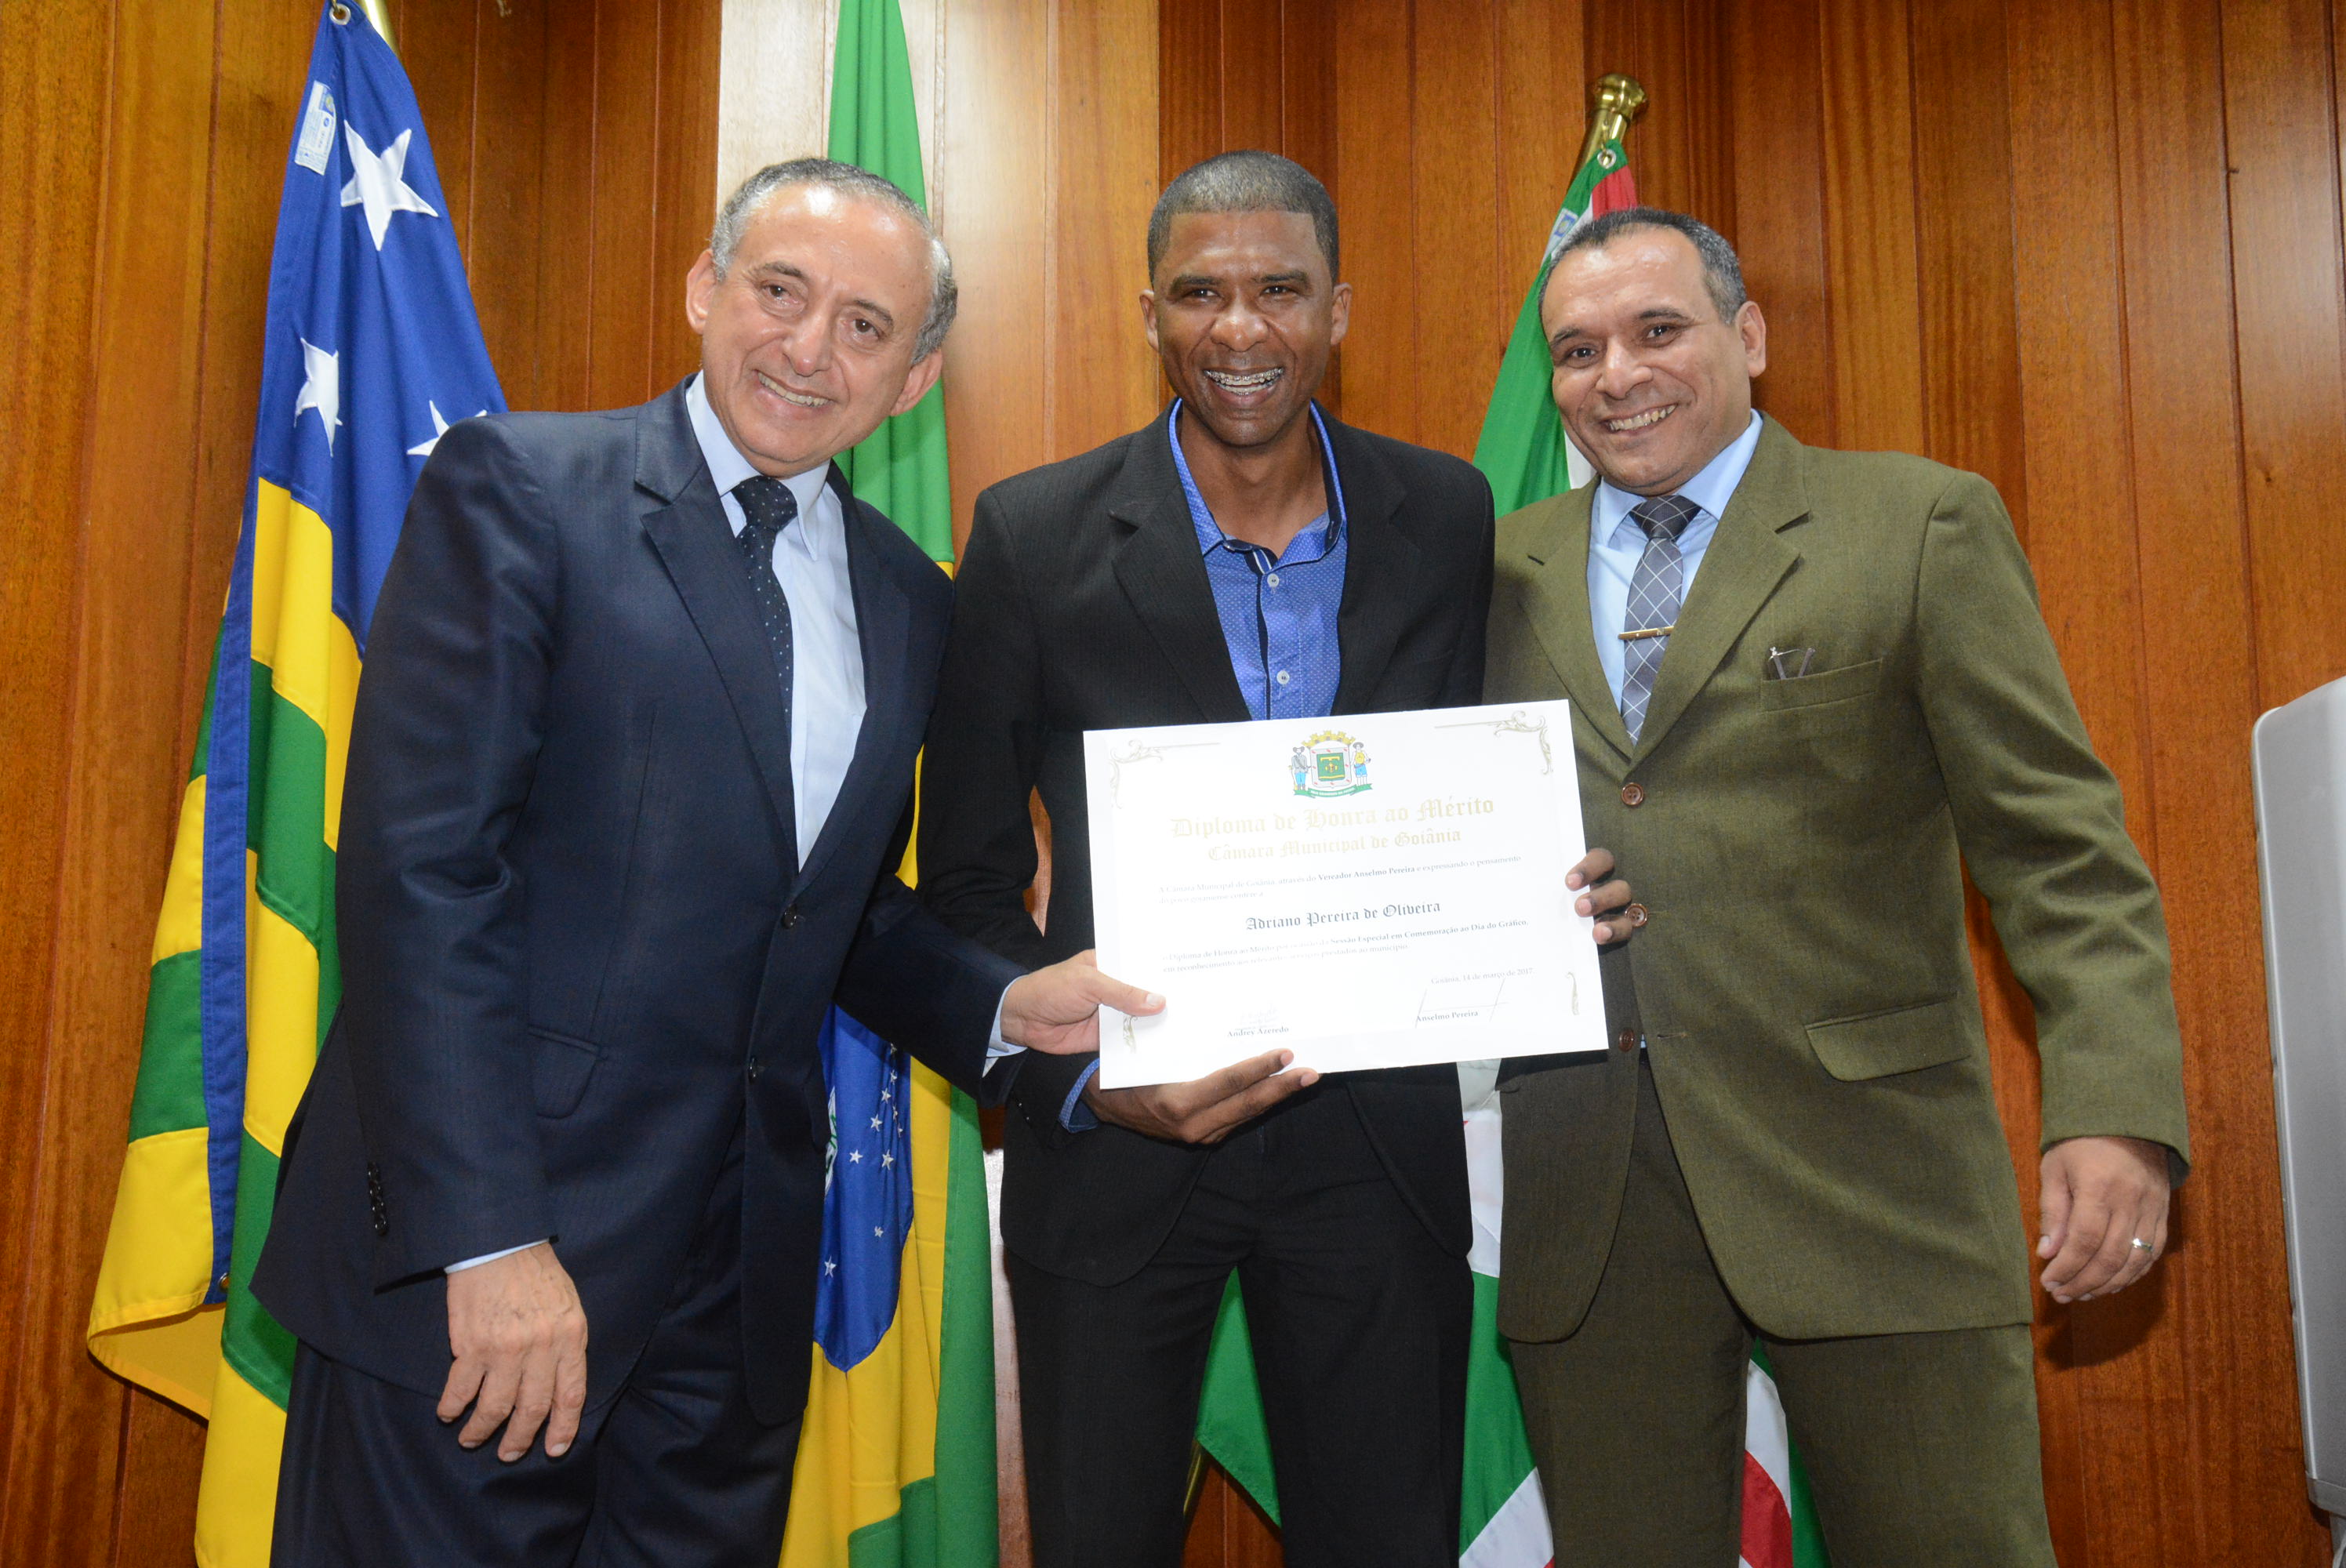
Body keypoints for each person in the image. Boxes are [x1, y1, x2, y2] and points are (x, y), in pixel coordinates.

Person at [252, 158, 1156, 1568]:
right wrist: (487, 1241)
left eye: (865, 325)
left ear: (913, 381)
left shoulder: (907, 597)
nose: (809, 348)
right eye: (780, 291)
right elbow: (423, 878)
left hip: (729, 1316)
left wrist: (999, 1004)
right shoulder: (523, 488)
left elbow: (825, 908)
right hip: (486, 1276)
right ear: (703, 289)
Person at [916, 151, 1635, 1568]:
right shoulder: (1033, 534)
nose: (1239, 328)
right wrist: (1080, 1084)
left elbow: (1487, 785)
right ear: (1150, 314)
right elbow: (965, 886)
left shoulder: (1448, 517)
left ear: (1338, 309)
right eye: (1199, 294)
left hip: (1380, 1157)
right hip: (1115, 1153)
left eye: (1280, 291)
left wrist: (1552, 891)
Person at [1483, 206, 2191, 1566]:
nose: (1617, 374)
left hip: (1877, 1180)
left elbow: (2060, 852)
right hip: (1593, 1195)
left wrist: (2116, 1111)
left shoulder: (1916, 522)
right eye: (1577, 351)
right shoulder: (1491, 571)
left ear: (1747, 335)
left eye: (1657, 330)